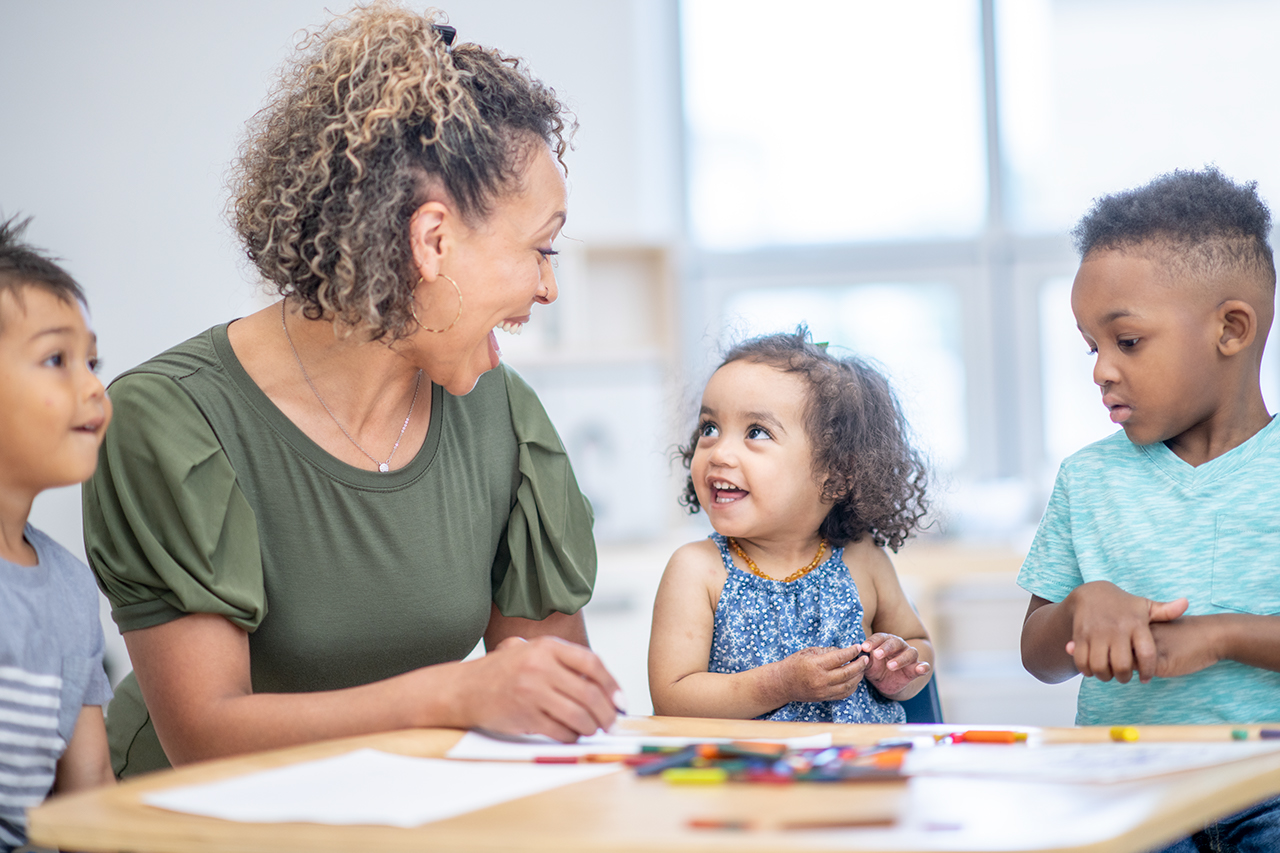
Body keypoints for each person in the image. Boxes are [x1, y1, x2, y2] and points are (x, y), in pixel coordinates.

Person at [83, 4, 622, 779]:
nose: (548, 286)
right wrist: (456, 692)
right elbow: (204, 732)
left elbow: (559, 706)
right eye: (540, 249)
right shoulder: (172, 422)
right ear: (432, 241)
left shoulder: (503, 415)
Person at [1018, 167, 1280, 852]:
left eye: (1126, 341)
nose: (1100, 369)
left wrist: (1220, 635)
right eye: (1091, 346)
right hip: (1123, 782)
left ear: (1232, 329)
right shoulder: (1087, 478)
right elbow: (1038, 654)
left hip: (1268, 783)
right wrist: (1078, 609)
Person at [648, 329, 934, 722]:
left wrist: (898, 671)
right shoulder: (697, 569)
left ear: (836, 472)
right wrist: (780, 683)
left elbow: (918, 646)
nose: (719, 452)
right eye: (709, 428)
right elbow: (672, 698)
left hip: (860, 773)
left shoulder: (863, 558)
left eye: (756, 432)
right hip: (743, 776)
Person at [0, 216, 115, 850]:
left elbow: (90, 783)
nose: (94, 385)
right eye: (56, 359)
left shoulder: (70, 588)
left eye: (92, 360)